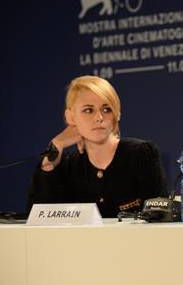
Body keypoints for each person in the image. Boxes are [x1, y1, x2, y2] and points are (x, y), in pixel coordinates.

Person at [27, 75, 168, 217]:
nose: (99, 117)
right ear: (71, 117)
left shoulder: (140, 154)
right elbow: (36, 219)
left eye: (106, 109)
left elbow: (160, 216)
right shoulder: (66, 165)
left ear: (116, 114)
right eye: (89, 110)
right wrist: (54, 150)